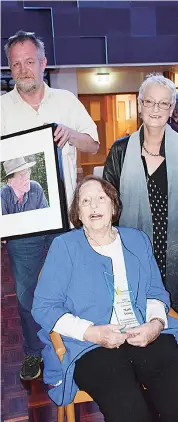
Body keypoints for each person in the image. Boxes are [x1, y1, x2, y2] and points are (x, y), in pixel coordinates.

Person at [32, 176, 178, 422]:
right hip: (91, 345)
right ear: (77, 212)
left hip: (143, 331)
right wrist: (91, 332)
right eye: (85, 201)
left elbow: (154, 290)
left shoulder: (137, 239)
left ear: (113, 205)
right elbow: (44, 307)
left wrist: (155, 325)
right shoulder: (65, 247)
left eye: (101, 198)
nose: (94, 206)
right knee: (130, 412)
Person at [1, 30, 99, 380]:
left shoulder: (67, 101)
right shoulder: (1, 109)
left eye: (30, 62)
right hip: (22, 227)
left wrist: (70, 134)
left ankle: (76, 348)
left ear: (43, 63)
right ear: (10, 69)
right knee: (27, 296)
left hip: (68, 221)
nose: (24, 70)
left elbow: (91, 144)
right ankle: (34, 352)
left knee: (73, 288)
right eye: (16, 64)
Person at [103, 73, 178, 313]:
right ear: (139, 104)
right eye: (149, 101)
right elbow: (107, 203)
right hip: (132, 247)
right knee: (138, 312)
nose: (156, 109)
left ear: (172, 108)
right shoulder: (120, 151)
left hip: (174, 248)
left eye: (164, 103)